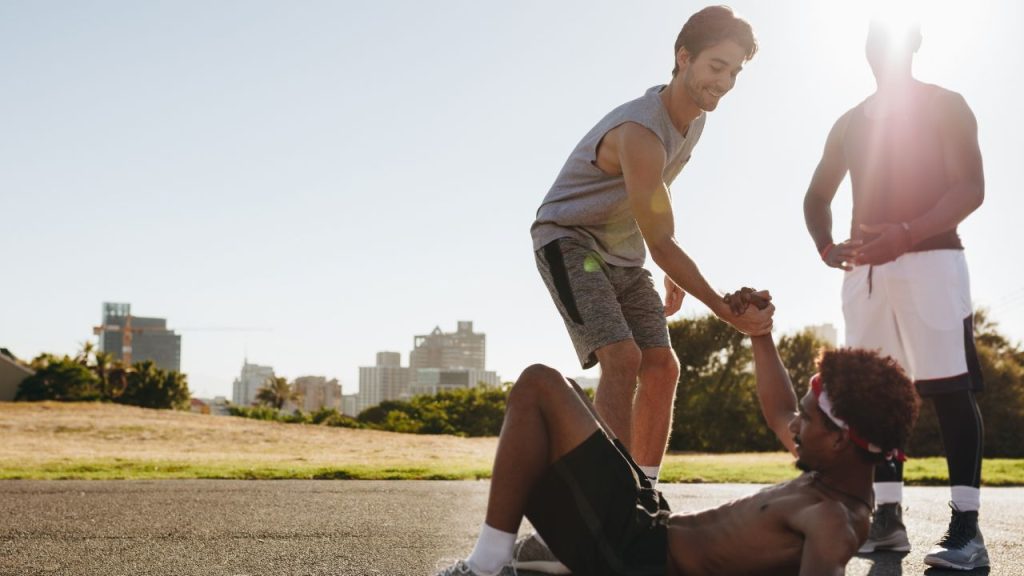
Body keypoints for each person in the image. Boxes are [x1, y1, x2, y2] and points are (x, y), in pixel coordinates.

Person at [433, 290, 920, 576]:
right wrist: (761, 334)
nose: (795, 425)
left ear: (839, 438)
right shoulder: (830, 467)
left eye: (809, 421)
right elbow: (781, 408)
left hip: (637, 558)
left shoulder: (834, 520)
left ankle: (488, 566)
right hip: (647, 524)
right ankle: (536, 557)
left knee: (540, 386)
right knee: (544, 402)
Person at [530, 5, 772, 496]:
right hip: (569, 239)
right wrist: (723, 307)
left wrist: (672, 270)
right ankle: (605, 499)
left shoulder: (693, 121)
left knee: (662, 365)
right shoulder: (640, 131)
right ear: (683, 58)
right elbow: (661, 239)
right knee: (622, 358)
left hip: (622, 252)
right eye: (716, 67)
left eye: (734, 72)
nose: (724, 82)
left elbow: (655, 202)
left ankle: (644, 492)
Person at [802, 16, 987, 570]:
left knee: (951, 391)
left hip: (932, 262)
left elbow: (971, 187)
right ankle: (887, 520)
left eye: (894, 42)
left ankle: (967, 530)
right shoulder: (849, 123)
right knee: (872, 399)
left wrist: (907, 233)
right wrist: (826, 247)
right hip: (866, 277)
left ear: (915, 48)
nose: (882, 50)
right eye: (874, 42)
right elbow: (816, 196)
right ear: (865, 52)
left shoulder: (946, 104)